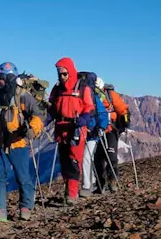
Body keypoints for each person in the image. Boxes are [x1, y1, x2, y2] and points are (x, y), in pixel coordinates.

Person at [0, 62, 44, 222]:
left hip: (18, 142)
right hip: (0, 142)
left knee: (22, 176)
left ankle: (26, 207)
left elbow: (37, 116)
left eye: (0, 77)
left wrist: (32, 130)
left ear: (7, 77)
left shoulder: (22, 95)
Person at [46, 57, 95, 205]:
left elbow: (89, 108)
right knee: (64, 161)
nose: (61, 77)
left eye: (64, 74)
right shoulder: (57, 89)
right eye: (59, 74)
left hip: (76, 129)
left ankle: (72, 194)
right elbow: (52, 108)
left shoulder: (82, 88)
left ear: (70, 72)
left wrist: (84, 119)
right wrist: (46, 120)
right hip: (61, 129)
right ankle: (69, 189)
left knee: (74, 160)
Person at [93, 78, 130, 192]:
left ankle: (112, 180)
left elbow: (122, 109)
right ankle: (101, 182)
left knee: (111, 156)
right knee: (97, 158)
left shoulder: (111, 95)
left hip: (111, 130)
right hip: (97, 129)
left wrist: (125, 121)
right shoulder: (91, 95)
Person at [80, 75, 110, 198]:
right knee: (87, 158)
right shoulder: (92, 96)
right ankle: (90, 183)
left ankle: (87, 186)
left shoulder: (93, 98)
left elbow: (102, 115)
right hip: (87, 132)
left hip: (92, 133)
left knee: (86, 158)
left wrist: (100, 128)